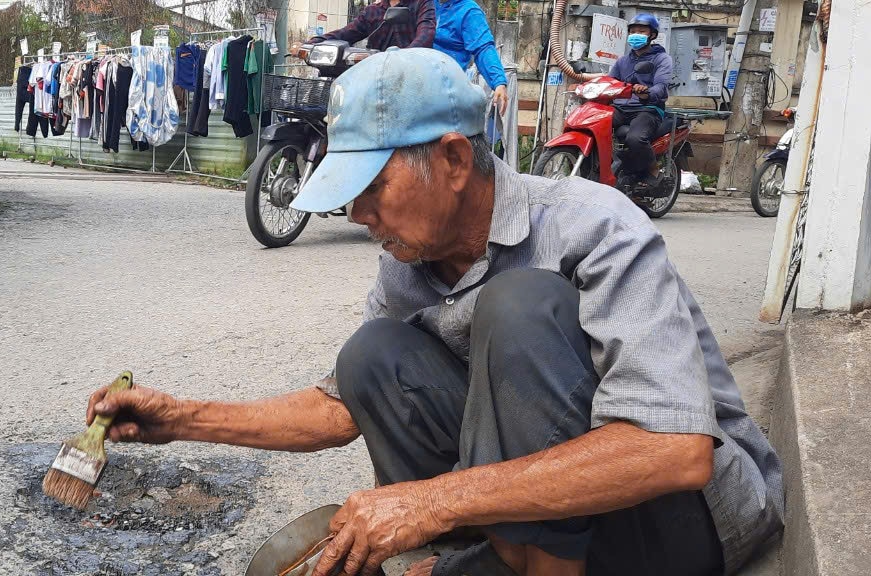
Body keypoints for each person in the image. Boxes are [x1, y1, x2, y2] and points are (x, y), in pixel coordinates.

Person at [85, 48, 782, 576]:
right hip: (573, 525)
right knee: (373, 355)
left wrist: (430, 503)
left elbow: (676, 450)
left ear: (453, 159)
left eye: (373, 188)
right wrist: (181, 419)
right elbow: (338, 408)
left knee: (520, 308)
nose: (357, 214)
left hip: (687, 524)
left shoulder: (593, 224)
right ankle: (501, 557)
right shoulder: (407, 262)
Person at [605, 13, 674, 189]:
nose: (636, 34)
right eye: (633, 31)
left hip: (648, 108)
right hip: (621, 107)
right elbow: (610, 82)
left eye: (641, 31)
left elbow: (661, 86)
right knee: (595, 123)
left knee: (635, 138)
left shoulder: (661, 59)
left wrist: (647, 93)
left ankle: (652, 170)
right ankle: (601, 167)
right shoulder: (622, 61)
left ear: (652, 35)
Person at [433, 0, 509, 116]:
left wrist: (498, 82)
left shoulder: (469, 11)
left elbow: (483, 48)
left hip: (448, 90)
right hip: (417, 82)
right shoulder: (425, 4)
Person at [292, 0, 436, 56]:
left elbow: (426, 34)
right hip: (374, 74)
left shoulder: (422, 4)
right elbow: (346, 33)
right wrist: (311, 43)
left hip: (411, 73)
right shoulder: (372, 11)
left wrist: (406, 56)